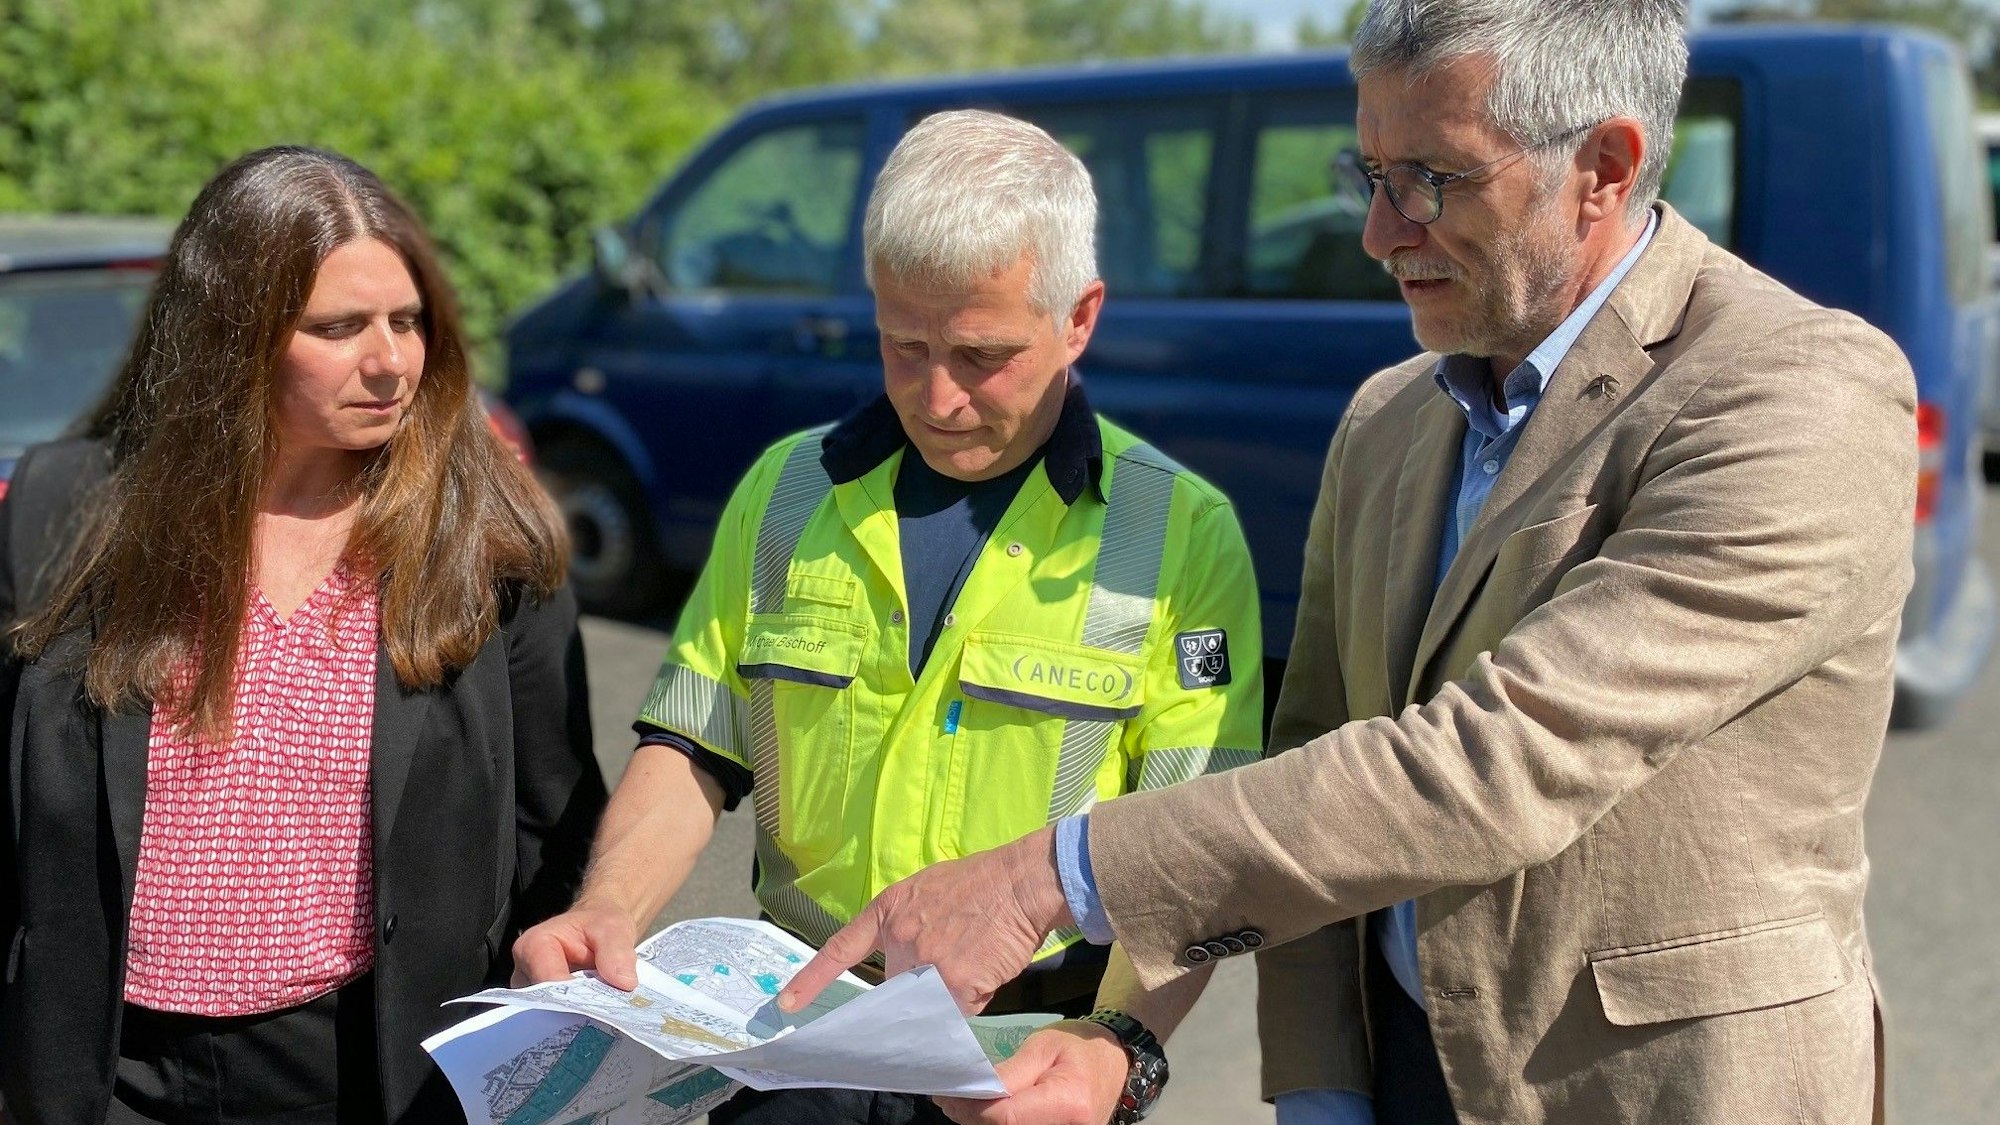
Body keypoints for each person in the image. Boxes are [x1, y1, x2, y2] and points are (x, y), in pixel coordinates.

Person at [783, 3, 1916, 1123]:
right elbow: (1317, 749)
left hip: (1659, 1090)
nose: (1378, 234)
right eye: (1366, 173)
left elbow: (1495, 763)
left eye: (1429, 179)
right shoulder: (1387, 417)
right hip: (1403, 1072)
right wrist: (1320, 1084)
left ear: (1602, 169)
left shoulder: (1791, 392)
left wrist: (1047, 874)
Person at [511, 109, 1265, 1125]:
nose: (938, 397)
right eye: (902, 345)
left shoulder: (1179, 533)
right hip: (792, 1052)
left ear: (1078, 318)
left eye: (980, 354)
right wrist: (606, 908)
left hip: (1024, 1071)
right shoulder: (784, 493)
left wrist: (1118, 1044)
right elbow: (692, 741)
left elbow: (1197, 853)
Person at [0, 145, 607, 1125]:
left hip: (369, 1070)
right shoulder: (66, 507)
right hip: (106, 1069)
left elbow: (558, 821)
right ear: (230, 333)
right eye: (338, 327)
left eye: (406, 322)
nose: (390, 361)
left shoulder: (481, 534)